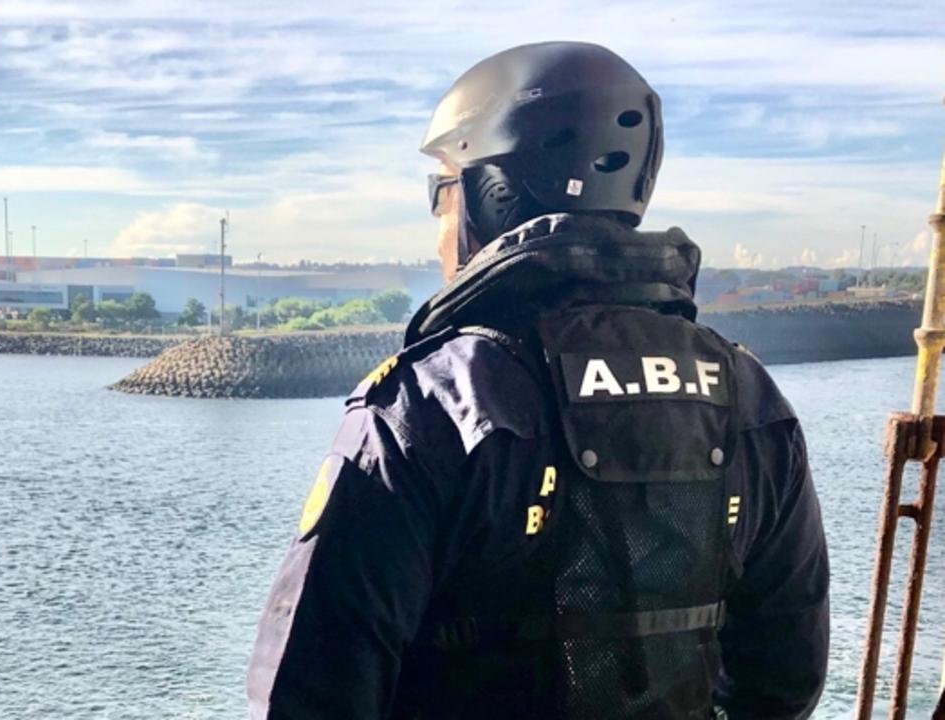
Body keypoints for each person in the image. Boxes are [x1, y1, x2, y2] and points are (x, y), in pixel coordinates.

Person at [247, 42, 828, 719]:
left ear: (490, 196)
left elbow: (309, 692)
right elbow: (783, 681)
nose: (435, 224)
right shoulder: (746, 397)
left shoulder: (432, 403)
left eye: (439, 190)